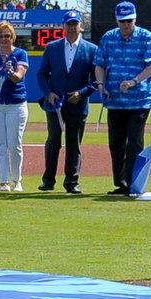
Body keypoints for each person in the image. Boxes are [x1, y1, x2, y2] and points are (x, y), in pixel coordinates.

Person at [94, 1, 151, 196]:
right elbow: (99, 64)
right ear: (116, 20)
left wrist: (134, 81)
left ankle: (134, 183)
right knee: (116, 143)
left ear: (135, 18)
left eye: (129, 20)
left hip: (139, 99)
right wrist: (100, 85)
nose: (125, 25)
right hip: (114, 100)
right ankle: (121, 183)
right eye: (122, 21)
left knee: (135, 142)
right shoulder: (108, 38)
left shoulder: (146, 37)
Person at [36, 10, 98, 194]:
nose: (72, 27)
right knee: (53, 140)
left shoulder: (91, 49)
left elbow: (95, 80)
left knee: (74, 143)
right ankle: (48, 180)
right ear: (63, 26)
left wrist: (82, 93)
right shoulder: (52, 48)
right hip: (55, 105)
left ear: (81, 26)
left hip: (78, 105)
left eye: (75, 24)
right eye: (69, 24)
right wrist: (48, 94)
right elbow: (41, 74)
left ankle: (72, 182)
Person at [0, 21, 29, 192]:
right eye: (1, 36)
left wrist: (9, 71)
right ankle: (3, 182)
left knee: (15, 144)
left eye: (7, 36)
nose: (4, 39)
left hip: (16, 103)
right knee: (0, 144)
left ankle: (17, 180)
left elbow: (18, 77)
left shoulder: (20, 54)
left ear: (12, 37)